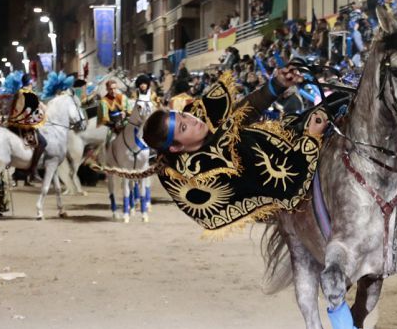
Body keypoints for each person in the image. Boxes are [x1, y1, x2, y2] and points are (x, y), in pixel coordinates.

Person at [139, 68, 329, 231]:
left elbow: (245, 111)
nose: (193, 121)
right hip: (296, 183)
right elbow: (286, 182)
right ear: (176, 147)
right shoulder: (212, 173)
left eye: (184, 116)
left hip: (287, 135)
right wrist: (311, 139)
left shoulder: (207, 119)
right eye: (183, 127)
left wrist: (278, 84)